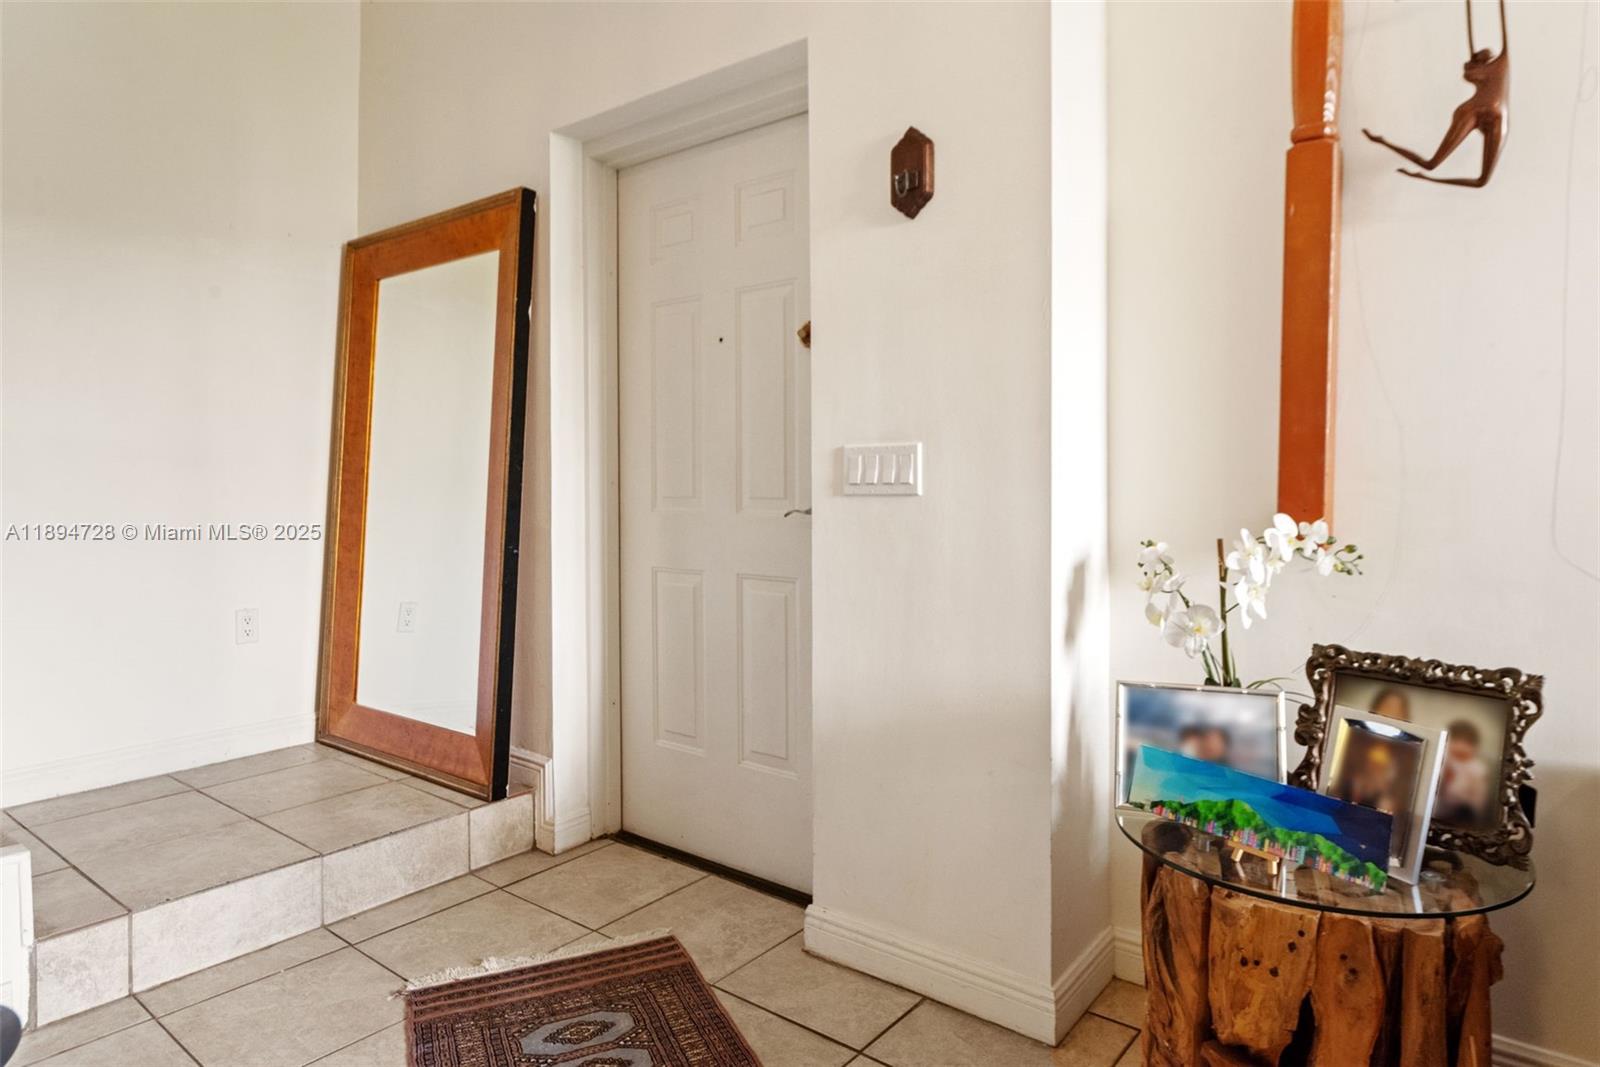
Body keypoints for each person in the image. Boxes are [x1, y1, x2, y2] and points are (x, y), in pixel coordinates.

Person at [1437, 719, 1491, 825]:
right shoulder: (1445, 759)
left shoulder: (1477, 768)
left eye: (1467, 743)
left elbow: (1478, 801)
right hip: (1439, 806)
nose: (1460, 746)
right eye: (1455, 740)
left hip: (1462, 811)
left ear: (1475, 747)